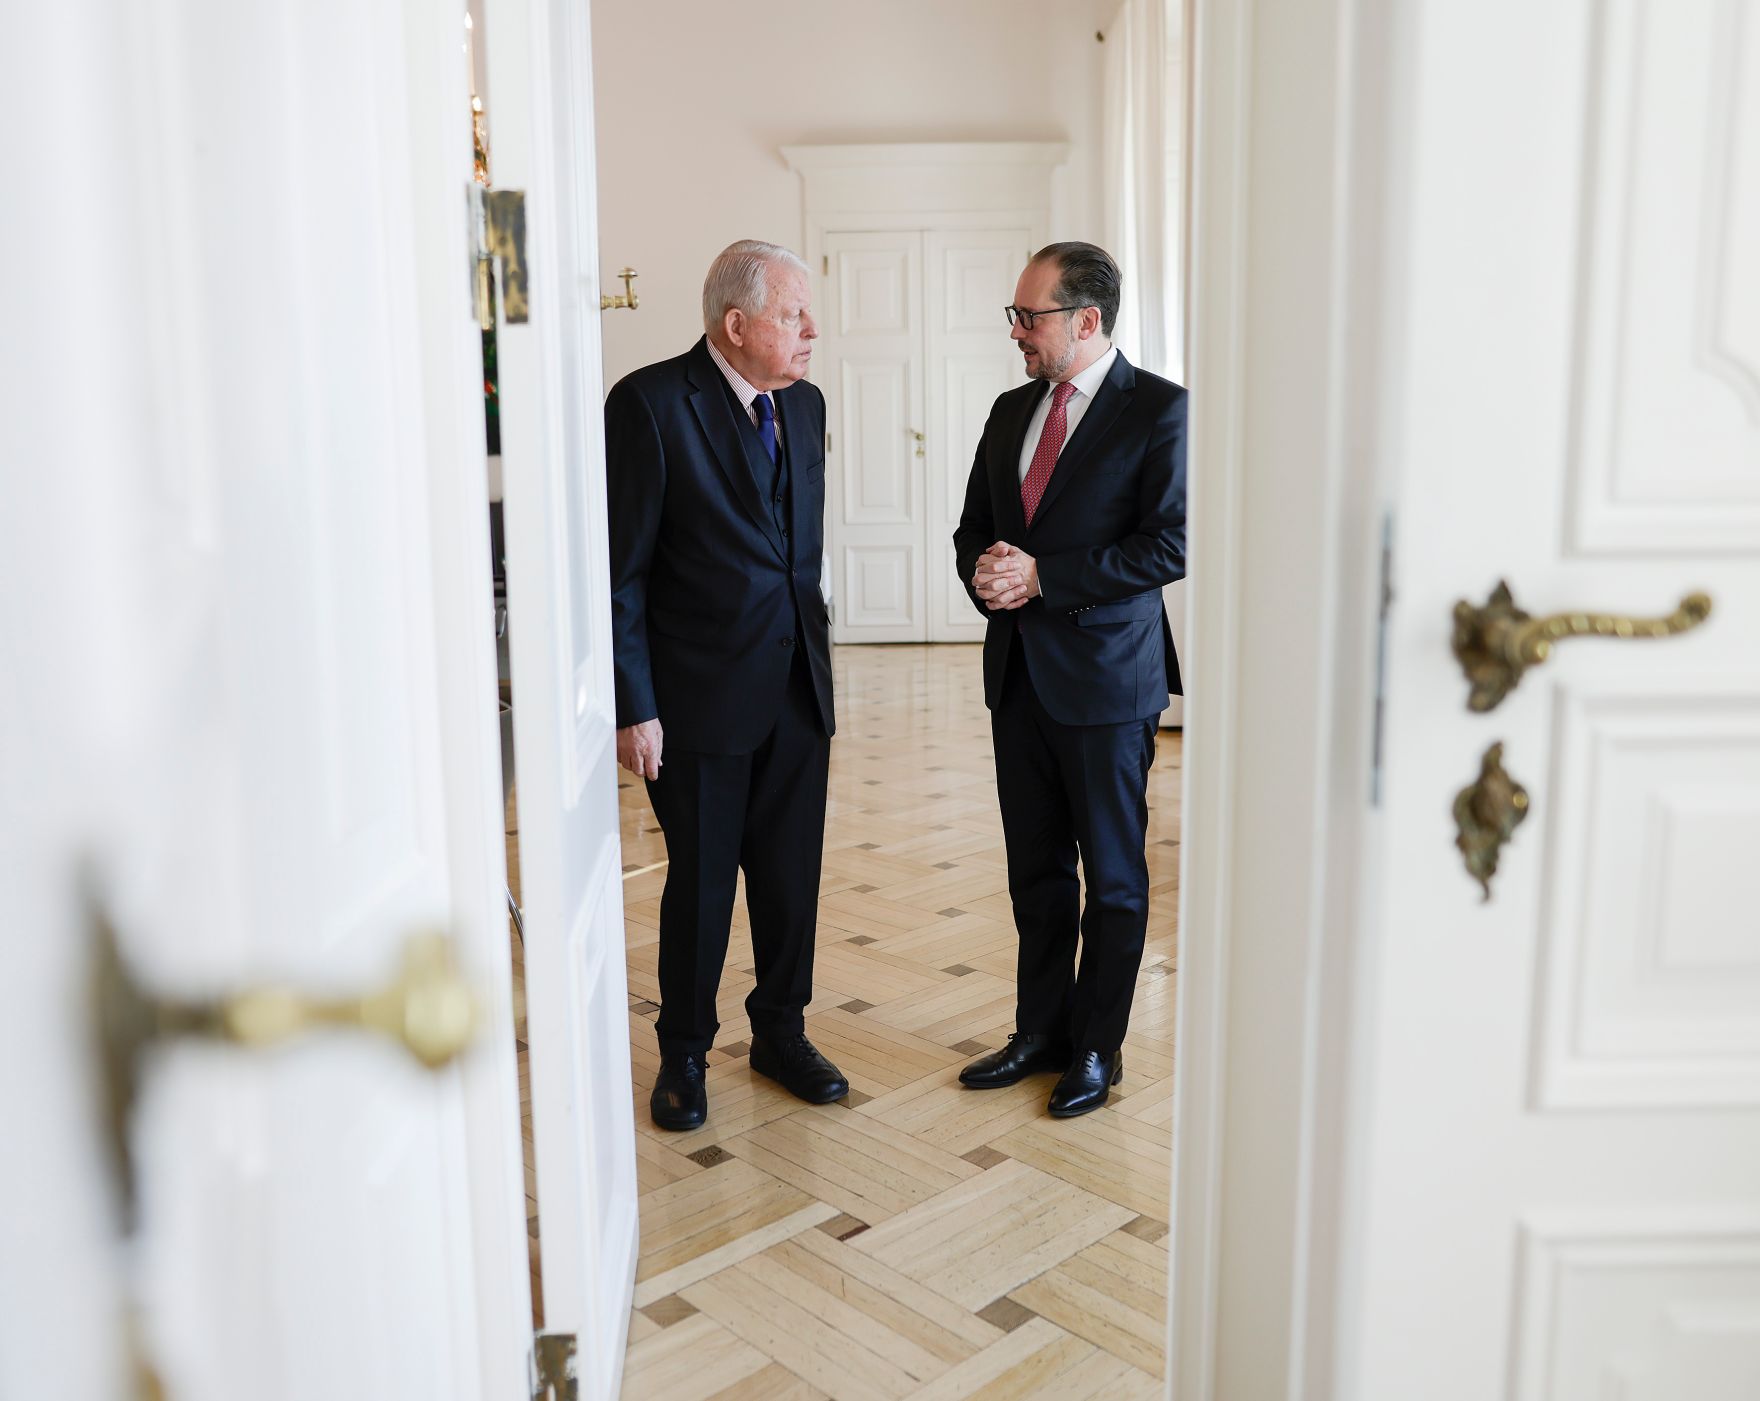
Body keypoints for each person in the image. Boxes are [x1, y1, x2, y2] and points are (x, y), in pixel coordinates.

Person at [605, 239, 847, 1131]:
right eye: (794, 314)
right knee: (702, 885)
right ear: (735, 324)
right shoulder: (650, 404)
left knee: (791, 879)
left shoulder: (808, 405)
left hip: (796, 689)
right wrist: (635, 704)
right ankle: (684, 1052)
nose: (812, 330)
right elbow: (618, 569)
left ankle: (782, 1030)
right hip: (697, 697)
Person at [952, 241, 1186, 1118]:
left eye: (1030, 316)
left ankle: (1097, 1048)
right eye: (1015, 315)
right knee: (1035, 872)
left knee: (1114, 879)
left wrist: (1046, 577)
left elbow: (1173, 543)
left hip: (1107, 682)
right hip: (1018, 674)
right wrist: (987, 573)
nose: (1016, 331)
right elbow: (974, 527)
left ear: (1086, 320)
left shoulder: (1161, 411)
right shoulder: (1012, 409)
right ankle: (1039, 1031)